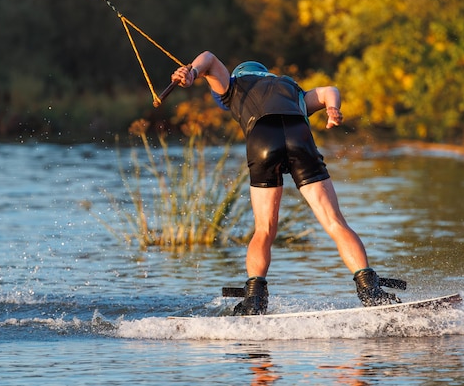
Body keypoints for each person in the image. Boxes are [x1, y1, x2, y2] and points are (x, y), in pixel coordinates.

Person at [171, 51, 403, 315]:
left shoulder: (235, 85)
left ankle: (254, 300)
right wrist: (332, 109)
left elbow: (209, 59)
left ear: (239, 74)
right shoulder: (292, 88)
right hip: (300, 138)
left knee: (264, 230)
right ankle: (370, 291)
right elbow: (329, 90)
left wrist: (191, 72)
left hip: (262, 140)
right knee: (335, 222)